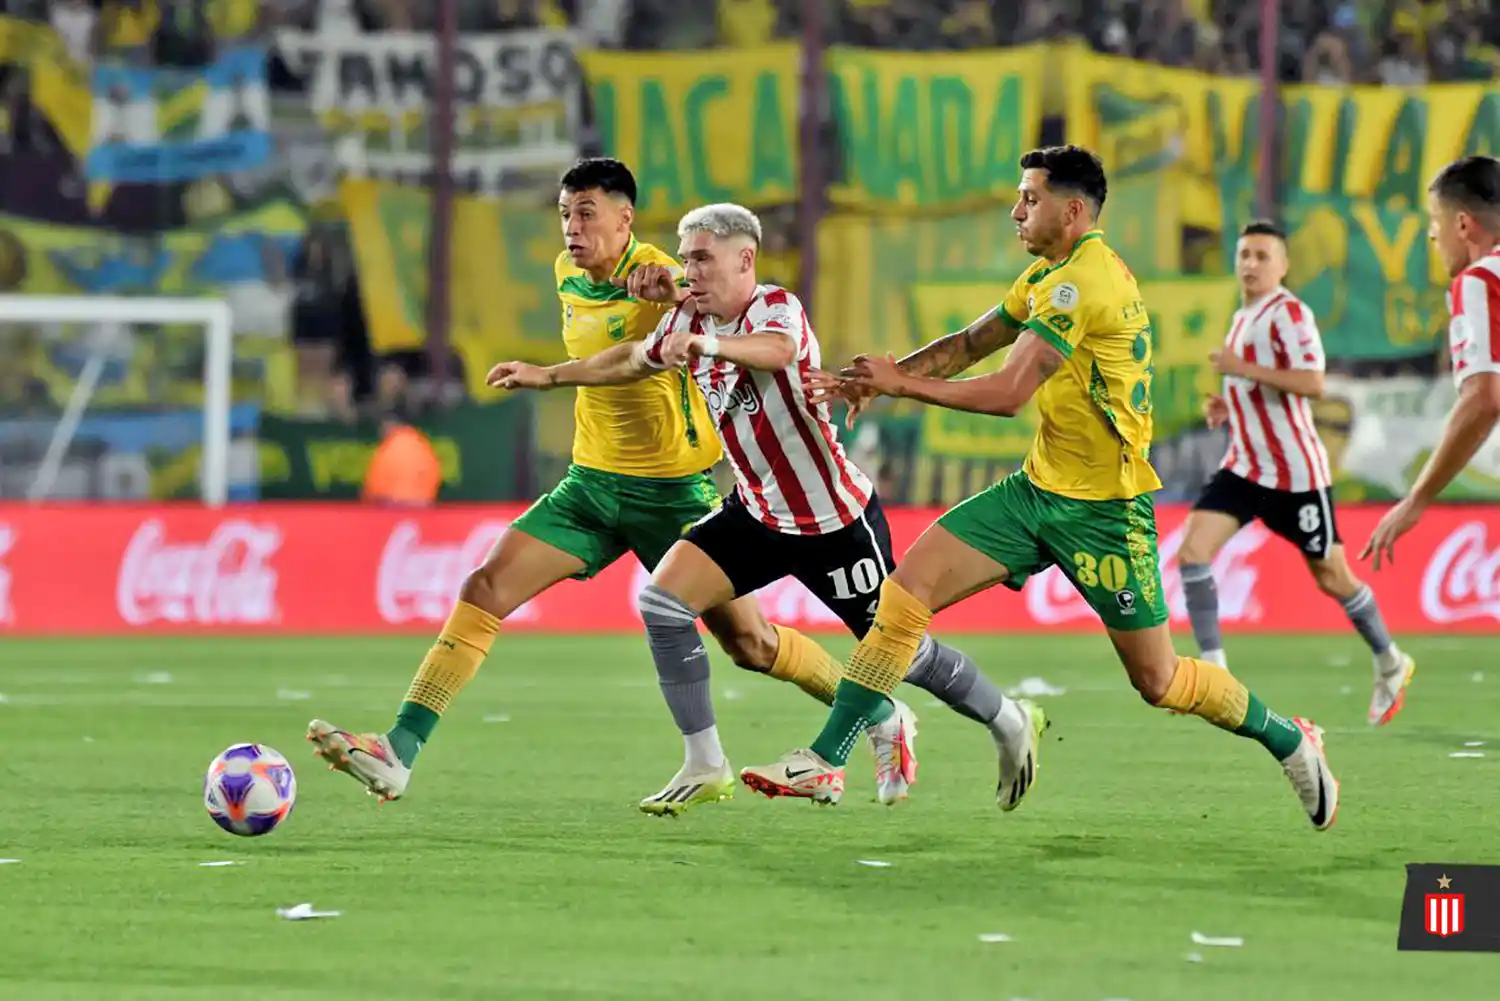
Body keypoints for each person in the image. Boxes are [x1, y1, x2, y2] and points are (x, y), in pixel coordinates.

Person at [741, 146, 1339, 831]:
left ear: (1072, 209)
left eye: (1030, 198)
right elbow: (970, 343)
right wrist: (878, 378)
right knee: (906, 590)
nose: (1016, 210)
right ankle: (826, 758)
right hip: (1035, 493)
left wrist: (901, 384)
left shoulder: (1081, 283)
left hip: (1106, 514)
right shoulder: (1049, 275)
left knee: (1161, 681)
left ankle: (1290, 738)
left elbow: (1007, 393)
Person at [306, 159, 895, 815]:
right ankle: (398, 751)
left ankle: (876, 709)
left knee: (751, 645)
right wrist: (548, 374)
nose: (572, 227)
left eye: (587, 213)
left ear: (625, 219)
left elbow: (691, 290)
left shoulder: (664, 276)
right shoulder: (567, 273)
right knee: (484, 587)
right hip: (590, 485)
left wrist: (665, 287)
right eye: (565, 213)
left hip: (672, 495)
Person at [491, 202, 1025, 809]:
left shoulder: (775, 307)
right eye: (686, 259)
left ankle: (1007, 719)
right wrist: (549, 376)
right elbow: (633, 360)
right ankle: (704, 762)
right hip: (757, 514)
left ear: (744, 258)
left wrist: (707, 343)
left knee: (904, 655)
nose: (689, 272)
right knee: (662, 604)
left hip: (832, 521)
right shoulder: (688, 317)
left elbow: (776, 350)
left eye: (701, 259)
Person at [1178, 220, 1414, 725]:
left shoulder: (1290, 314)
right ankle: (1216, 672)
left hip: (1295, 476)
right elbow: (1262, 392)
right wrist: (1230, 406)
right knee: (1192, 552)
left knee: (1332, 576)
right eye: (1244, 254)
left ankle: (1391, 660)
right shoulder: (1243, 317)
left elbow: (1313, 383)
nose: (1250, 264)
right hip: (1246, 466)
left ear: (1284, 266)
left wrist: (1242, 370)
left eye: (1262, 256)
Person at [1364, 155, 1500, 567]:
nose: (1431, 234)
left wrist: (1416, 499)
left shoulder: (1480, 281)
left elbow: (1484, 399)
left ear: (1462, 225)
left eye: (1434, 221)